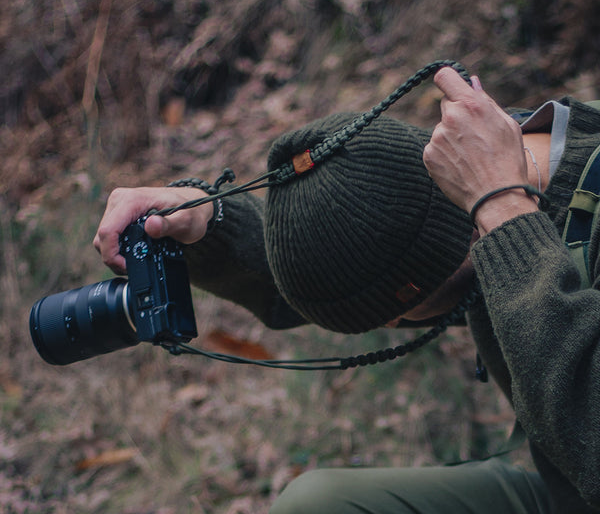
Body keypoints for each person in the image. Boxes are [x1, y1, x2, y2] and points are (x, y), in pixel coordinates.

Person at [94, 67, 600, 513]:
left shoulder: (507, 206)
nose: (390, 327)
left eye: (391, 316)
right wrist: (210, 217)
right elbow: (355, 262)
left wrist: (504, 211)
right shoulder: (467, 177)